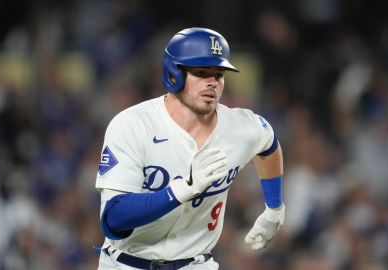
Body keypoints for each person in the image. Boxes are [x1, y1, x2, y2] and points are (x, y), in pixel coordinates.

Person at [95, 27, 285, 270]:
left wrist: (274, 208)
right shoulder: (133, 124)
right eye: (201, 73)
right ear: (174, 74)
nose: (212, 83)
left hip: (195, 264)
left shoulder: (241, 126)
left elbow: (269, 143)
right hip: (126, 264)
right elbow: (113, 217)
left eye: (218, 74)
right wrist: (180, 190)